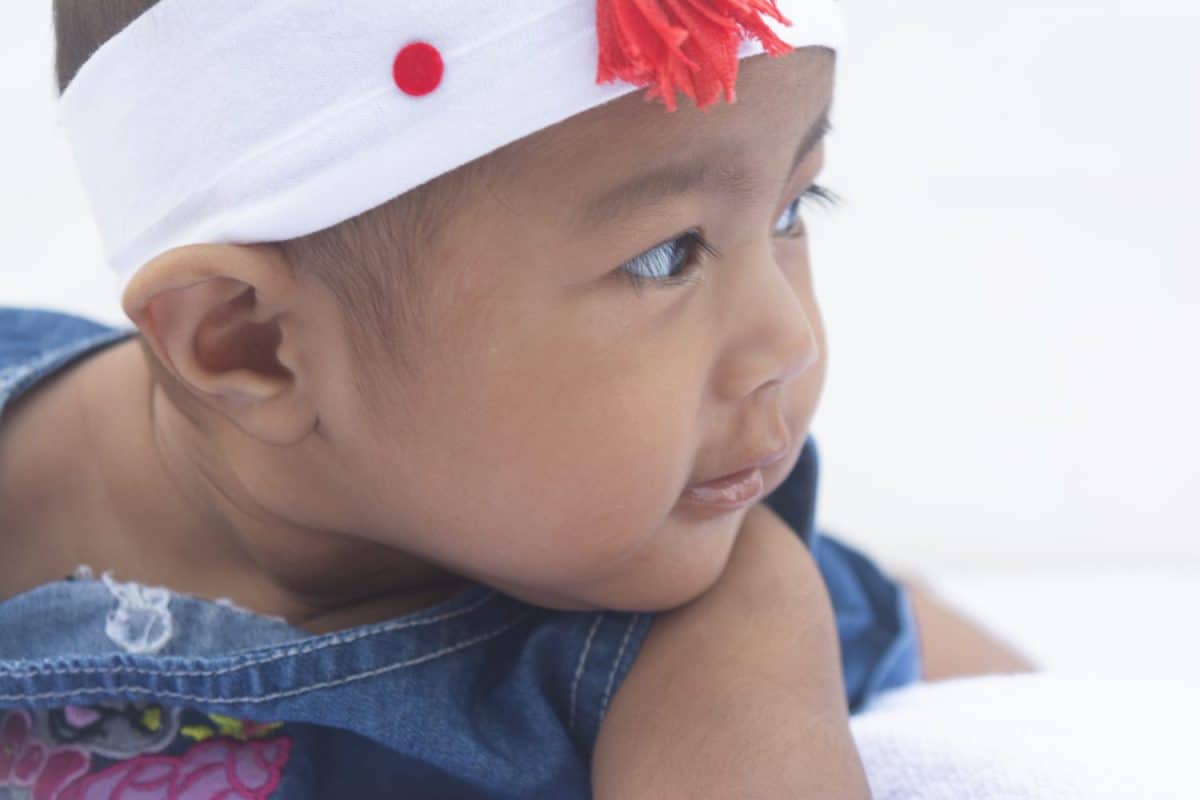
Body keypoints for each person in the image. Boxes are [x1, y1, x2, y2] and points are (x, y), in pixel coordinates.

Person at [0, 0, 1034, 797]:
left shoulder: (711, 626)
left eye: (793, 205)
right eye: (666, 254)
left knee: (903, 624)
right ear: (251, 341)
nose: (789, 340)